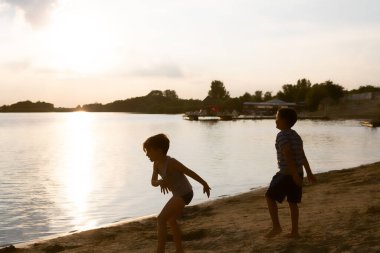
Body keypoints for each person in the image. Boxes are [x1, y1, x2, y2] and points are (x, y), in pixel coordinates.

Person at [143, 133, 211, 253]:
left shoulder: (172, 162)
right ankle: (179, 250)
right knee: (171, 220)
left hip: (185, 193)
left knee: (161, 219)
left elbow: (189, 172)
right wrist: (160, 182)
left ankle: (160, 251)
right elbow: (153, 182)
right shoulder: (156, 164)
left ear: (159, 151)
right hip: (178, 195)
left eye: (148, 151)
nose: (147, 154)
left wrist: (204, 183)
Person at [265, 108, 317, 238]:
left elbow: (287, 153)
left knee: (269, 197)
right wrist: (309, 173)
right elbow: (302, 155)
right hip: (298, 173)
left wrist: (293, 174)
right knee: (293, 203)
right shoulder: (296, 135)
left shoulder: (282, 135)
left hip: (286, 174)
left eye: (277, 117)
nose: (275, 120)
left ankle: (276, 227)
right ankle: (295, 232)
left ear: (283, 120)